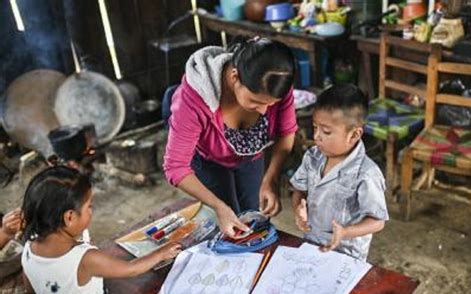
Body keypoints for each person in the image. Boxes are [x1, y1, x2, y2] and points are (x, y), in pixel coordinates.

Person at [163, 37, 297, 238]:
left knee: (252, 217)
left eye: (271, 104)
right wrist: (218, 207)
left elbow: (286, 132)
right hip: (209, 161)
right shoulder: (193, 98)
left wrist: (271, 179)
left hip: (251, 158)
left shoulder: (275, 85)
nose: (263, 110)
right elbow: (176, 167)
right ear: (234, 76)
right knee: (227, 220)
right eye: (255, 101)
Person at [21, 166, 181, 294]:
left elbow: (30, 288)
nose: (91, 211)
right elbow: (130, 269)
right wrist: (161, 253)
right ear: (69, 217)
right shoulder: (84, 258)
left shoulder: (28, 248)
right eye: (89, 206)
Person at [290, 84, 388, 261]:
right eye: (315, 128)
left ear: (354, 135)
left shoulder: (367, 174)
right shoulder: (312, 157)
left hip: (346, 254)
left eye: (326, 131)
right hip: (312, 242)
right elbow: (300, 189)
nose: (317, 136)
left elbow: (377, 221)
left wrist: (345, 232)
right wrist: (299, 208)